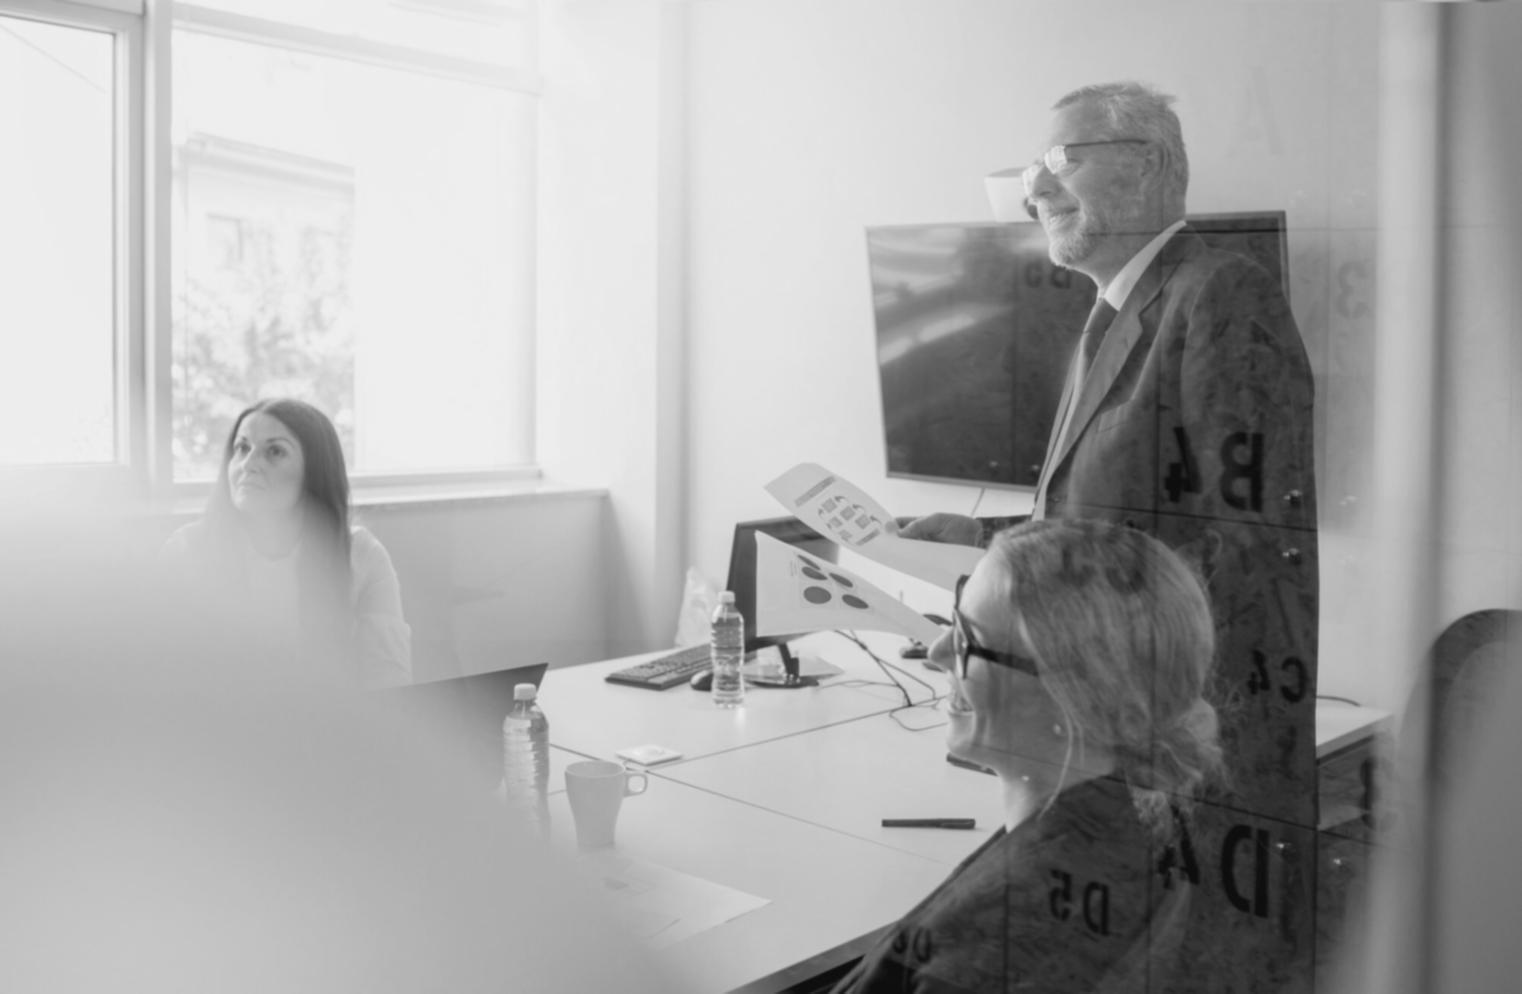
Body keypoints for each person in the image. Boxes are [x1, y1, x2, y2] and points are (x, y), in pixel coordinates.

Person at [902, 81, 1319, 830]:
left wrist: (1065, 648)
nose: (1034, 187)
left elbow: (1246, 548)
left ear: (1150, 165)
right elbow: (1110, 522)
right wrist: (979, 543)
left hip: (1174, 748)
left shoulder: (1220, 294)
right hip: (1096, 738)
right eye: (1032, 168)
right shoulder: (1114, 318)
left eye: (1062, 158)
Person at [832, 519, 1222, 993]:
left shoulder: (985, 945)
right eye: (950, 621)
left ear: (1077, 695)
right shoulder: (1145, 817)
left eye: (967, 639)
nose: (936, 653)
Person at [161, 397, 411, 689]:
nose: (248, 464)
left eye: (275, 451)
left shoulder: (362, 555)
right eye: (242, 448)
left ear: (314, 473)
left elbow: (389, 681)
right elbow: (165, 679)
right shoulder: (186, 552)